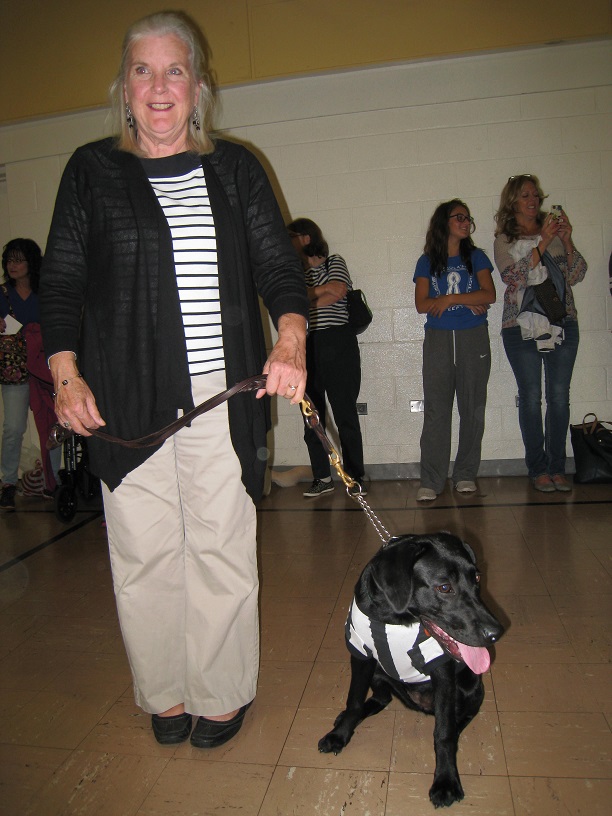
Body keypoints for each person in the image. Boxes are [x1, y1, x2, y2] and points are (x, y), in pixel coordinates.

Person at [39, 11, 308, 748]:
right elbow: (61, 282)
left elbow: (278, 266)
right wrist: (65, 374)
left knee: (221, 545)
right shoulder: (91, 170)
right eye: (143, 70)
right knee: (143, 552)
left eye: (174, 70)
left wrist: (290, 338)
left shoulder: (235, 168)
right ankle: (164, 691)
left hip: (222, 393)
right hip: (122, 399)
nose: (159, 86)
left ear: (198, 86)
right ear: (124, 87)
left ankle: (220, 692)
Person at [494, 174, 587, 492]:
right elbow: (512, 276)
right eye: (525, 195)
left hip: (562, 322)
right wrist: (543, 242)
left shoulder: (556, 234)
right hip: (520, 327)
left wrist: (567, 239)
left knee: (559, 397)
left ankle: (558, 467)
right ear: (512, 202)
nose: (532, 200)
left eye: (535, 194)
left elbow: (577, 274)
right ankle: (538, 469)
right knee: (531, 398)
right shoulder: (505, 239)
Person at [413, 200, 496, 501]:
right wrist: (468, 299)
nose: (465, 222)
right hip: (438, 339)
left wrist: (450, 299)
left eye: (468, 218)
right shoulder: (427, 261)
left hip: (473, 337)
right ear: (443, 222)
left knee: (472, 408)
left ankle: (465, 474)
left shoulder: (476, 257)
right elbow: (422, 304)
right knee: (436, 410)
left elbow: (489, 295)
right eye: (459, 217)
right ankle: (432, 480)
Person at [287, 217, 366, 497]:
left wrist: (307, 297)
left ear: (306, 237)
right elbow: (295, 303)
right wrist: (320, 291)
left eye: (292, 236)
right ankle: (322, 477)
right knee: (311, 414)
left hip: (339, 341)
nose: (288, 242)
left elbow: (337, 295)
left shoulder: (335, 262)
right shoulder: (294, 271)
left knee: (345, 413)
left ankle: (354, 477)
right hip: (308, 345)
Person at [1, 239, 60, 510]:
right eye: (8, 260)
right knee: (13, 428)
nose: (12, 265)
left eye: (18, 260)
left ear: (31, 263)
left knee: (52, 425)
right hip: (14, 371)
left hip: (44, 370)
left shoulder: (45, 293)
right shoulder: (2, 294)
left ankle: (53, 481)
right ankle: (7, 483)